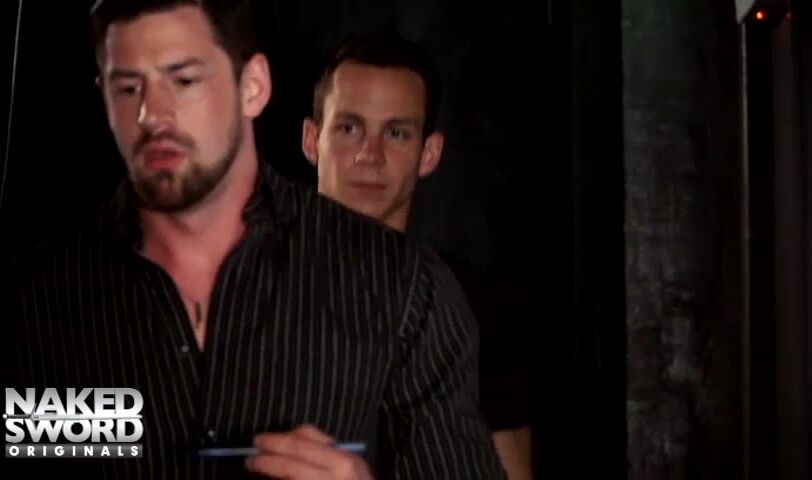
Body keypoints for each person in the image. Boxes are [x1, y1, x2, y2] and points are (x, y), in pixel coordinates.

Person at [0, 1, 506, 478]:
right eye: (127, 87)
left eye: (184, 80)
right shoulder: (35, 301)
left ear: (253, 87)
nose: (151, 115)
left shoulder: (404, 289)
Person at [300, 32, 534, 479]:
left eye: (396, 133)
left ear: (429, 154)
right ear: (312, 141)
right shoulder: (240, 291)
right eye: (349, 128)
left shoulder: (479, 308)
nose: (370, 155)